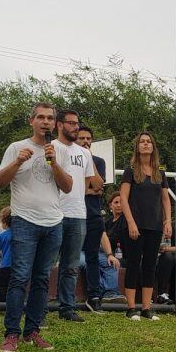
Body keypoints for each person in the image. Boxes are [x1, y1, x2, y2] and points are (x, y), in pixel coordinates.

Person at [0, 102, 72, 352]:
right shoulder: (16, 148)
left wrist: (54, 162)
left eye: (50, 118)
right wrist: (17, 162)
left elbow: (68, 186)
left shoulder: (59, 151)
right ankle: (11, 333)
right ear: (32, 121)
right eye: (41, 117)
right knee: (19, 277)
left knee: (41, 279)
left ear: (55, 124)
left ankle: (33, 331)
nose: (45, 122)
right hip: (25, 221)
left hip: (53, 222)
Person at [117, 132, 172, 321]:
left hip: (154, 225)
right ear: (137, 147)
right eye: (142, 141)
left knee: (150, 266)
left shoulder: (160, 173)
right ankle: (131, 308)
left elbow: (165, 199)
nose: (146, 144)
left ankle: (147, 308)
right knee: (134, 264)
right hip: (134, 225)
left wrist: (167, 221)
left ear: (153, 147)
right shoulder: (130, 170)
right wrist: (131, 222)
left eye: (149, 141)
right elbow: (123, 197)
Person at [52, 110, 98, 322]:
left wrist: (89, 153)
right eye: (70, 123)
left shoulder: (84, 153)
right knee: (46, 263)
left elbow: (95, 184)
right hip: (53, 212)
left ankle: (67, 308)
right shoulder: (52, 147)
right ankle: (39, 308)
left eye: (77, 123)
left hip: (78, 213)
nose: (75, 127)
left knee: (70, 265)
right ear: (59, 125)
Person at [76, 125, 109, 313]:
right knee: (69, 256)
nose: (86, 141)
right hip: (73, 215)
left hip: (94, 215)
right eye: (82, 138)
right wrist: (87, 189)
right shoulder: (69, 160)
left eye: (89, 138)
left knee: (93, 256)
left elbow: (98, 186)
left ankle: (94, 297)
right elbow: (73, 189)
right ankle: (64, 297)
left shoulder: (99, 161)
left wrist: (89, 160)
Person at [101, 192, 127, 303]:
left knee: (110, 263)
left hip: (123, 256)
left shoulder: (126, 220)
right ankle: (104, 292)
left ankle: (110, 293)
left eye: (121, 202)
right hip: (106, 254)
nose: (118, 205)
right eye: (116, 202)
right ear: (110, 205)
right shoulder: (107, 222)